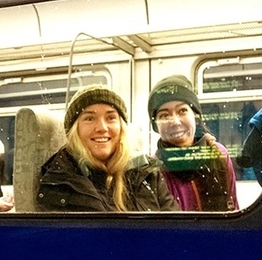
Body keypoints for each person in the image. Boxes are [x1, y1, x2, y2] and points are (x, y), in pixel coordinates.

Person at [36, 86, 176, 213]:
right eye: (90, 118)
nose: (102, 128)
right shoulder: (59, 182)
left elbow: (177, 231)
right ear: (74, 130)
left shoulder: (147, 173)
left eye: (110, 118)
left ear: (121, 128)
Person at [148, 75, 237, 211]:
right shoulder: (153, 172)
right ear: (156, 126)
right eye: (164, 115)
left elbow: (233, 209)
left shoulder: (218, 154)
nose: (175, 122)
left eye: (182, 111)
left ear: (195, 116)